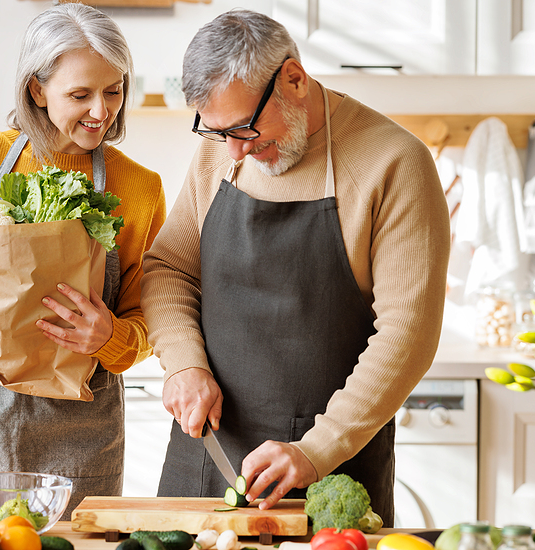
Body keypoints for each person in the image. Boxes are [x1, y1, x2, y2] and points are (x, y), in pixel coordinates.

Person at [140, 9, 449, 525]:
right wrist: (183, 362)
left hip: (330, 468)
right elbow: (170, 268)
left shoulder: (393, 164)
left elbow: (408, 334)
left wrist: (315, 450)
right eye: (219, 133)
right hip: (205, 453)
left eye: (246, 130)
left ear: (294, 79)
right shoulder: (221, 152)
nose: (235, 149)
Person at [0, 2, 166, 516]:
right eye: (80, 94)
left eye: (114, 90)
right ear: (37, 90)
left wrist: (112, 338)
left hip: (78, 437)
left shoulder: (141, 188)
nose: (101, 111)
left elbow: (146, 320)